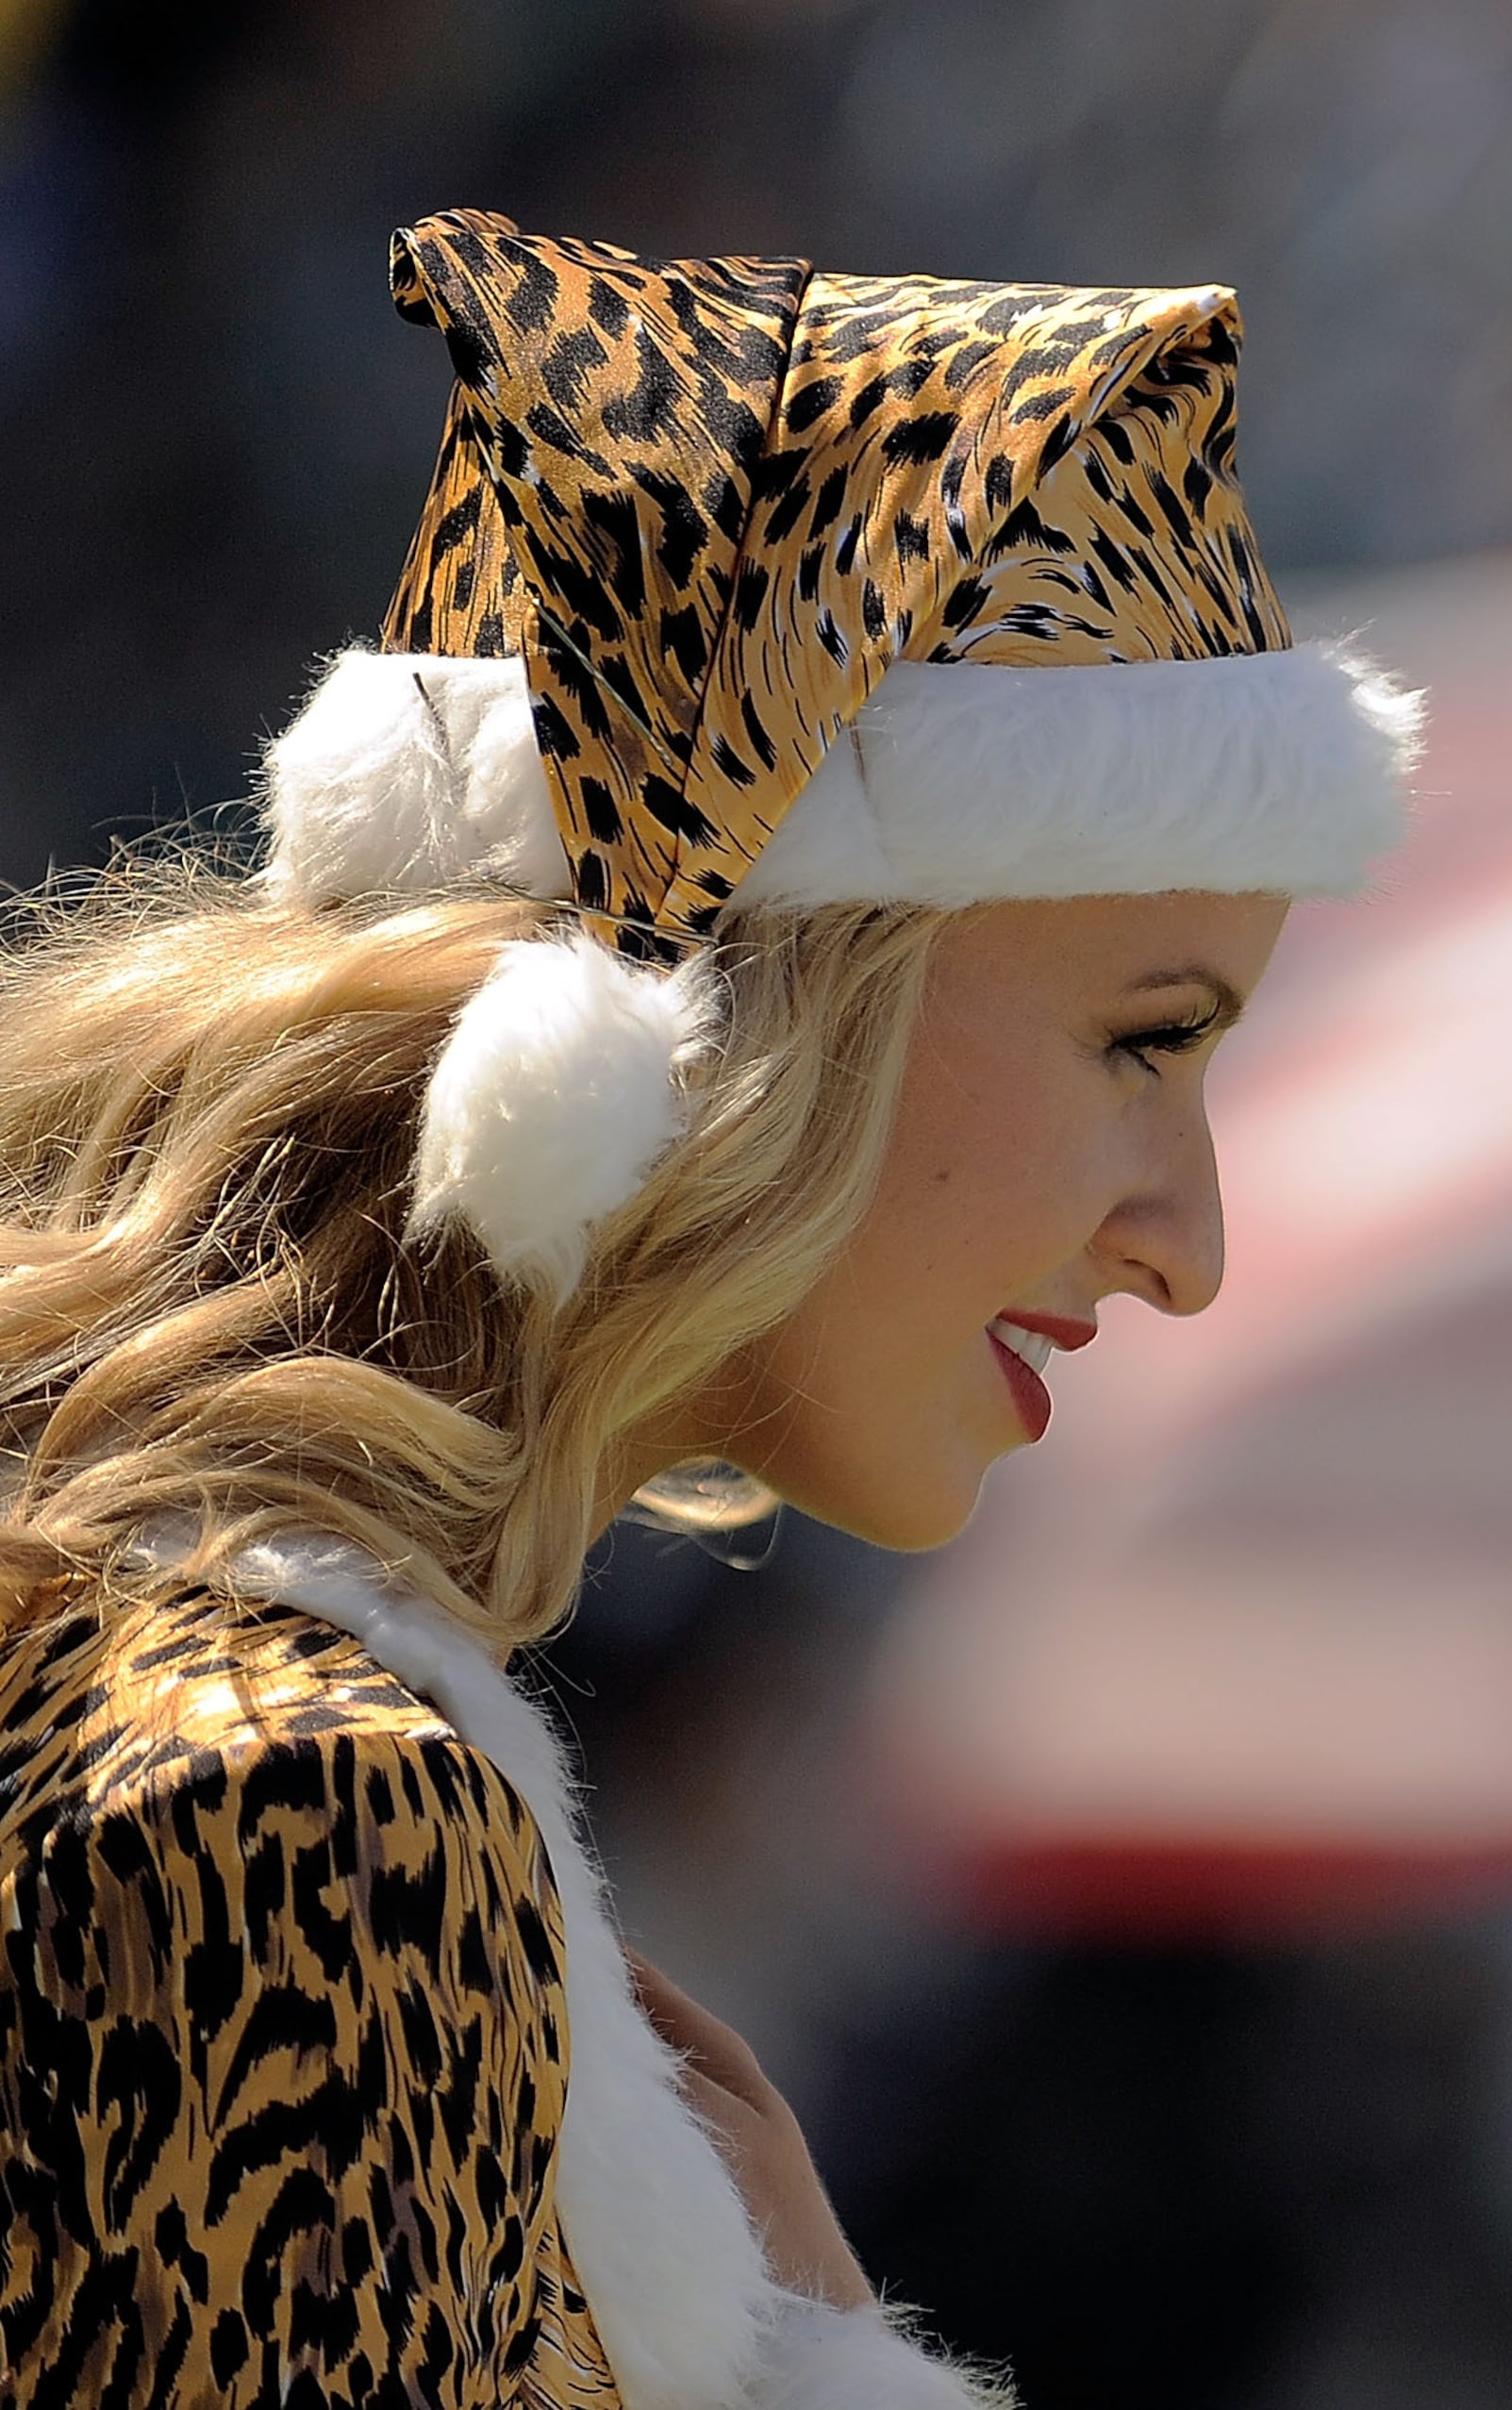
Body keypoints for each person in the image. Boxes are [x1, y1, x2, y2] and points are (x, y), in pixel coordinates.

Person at [0, 209, 1419, 2408]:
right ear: (769, 992)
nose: (1190, 1244)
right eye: (1147, 1039)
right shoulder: (294, 1816)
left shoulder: (180, 1674)